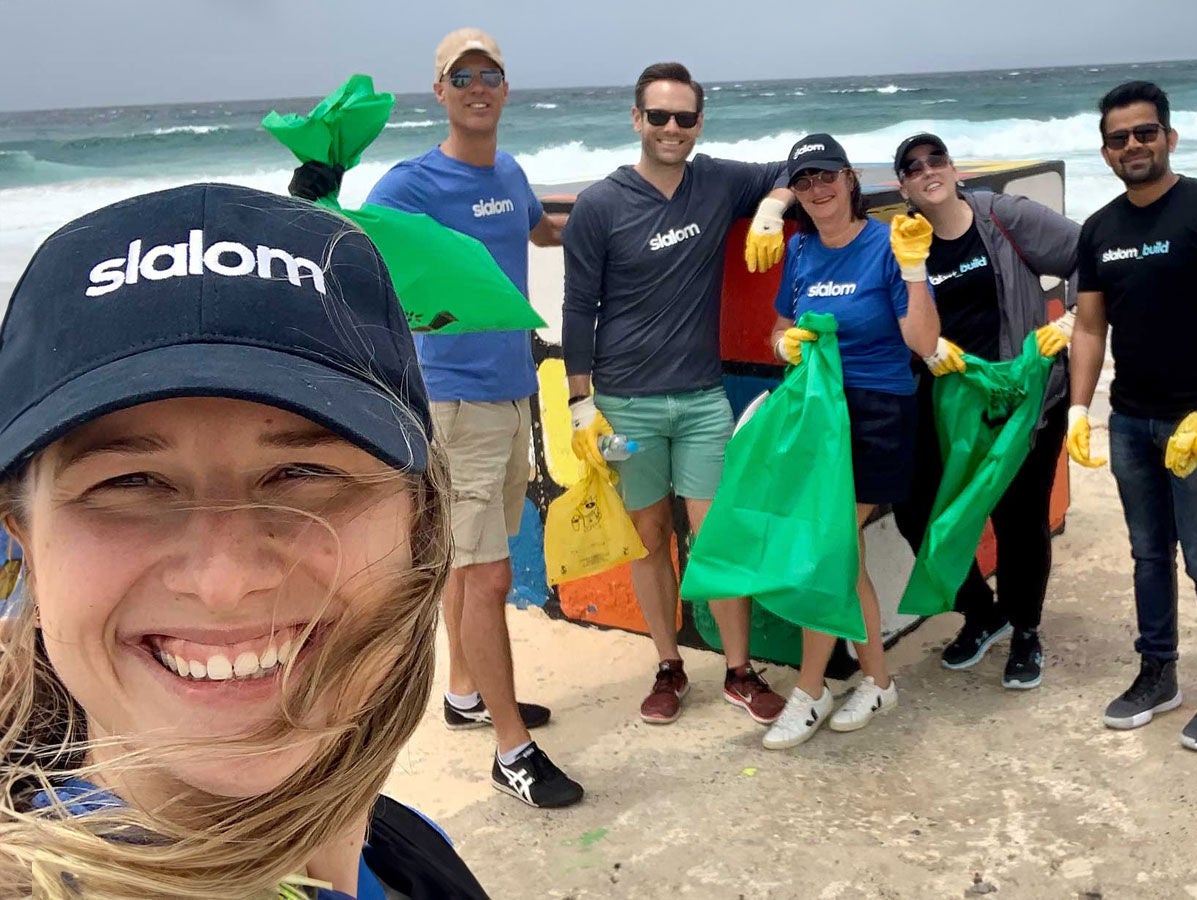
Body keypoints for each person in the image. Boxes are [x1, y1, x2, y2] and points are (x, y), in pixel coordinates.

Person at [0, 183, 489, 897]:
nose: (224, 581)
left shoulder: (405, 846)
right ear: (27, 544)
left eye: (302, 472)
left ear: (422, 523)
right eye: (130, 482)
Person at [295, 28, 582, 806]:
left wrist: (610, 215)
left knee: (471, 564)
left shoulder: (513, 171)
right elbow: (344, 243)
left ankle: (465, 695)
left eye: (490, 73)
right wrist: (311, 192)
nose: (478, 86)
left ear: (506, 88)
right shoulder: (412, 183)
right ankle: (511, 751)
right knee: (485, 576)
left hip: (514, 393)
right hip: (451, 405)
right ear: (442, 92)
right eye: (463, 76)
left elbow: (536, 230)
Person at [561, 62, 797, 727]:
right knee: (648, 537)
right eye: (658, 116)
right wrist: (582, 404)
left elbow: (796, 164)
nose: (671, 128)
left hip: (700, 401)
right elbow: (578, 309)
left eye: (684, 117)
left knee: (717, 533)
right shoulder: (600, 205)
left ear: (699, 123)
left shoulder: (719, 181)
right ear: (636, 119)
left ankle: (740, 670)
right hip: (627, 404)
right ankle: (668, 664)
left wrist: (773, 209)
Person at [1069, 81, 1197, 752]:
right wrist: (1078, 407)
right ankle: (1158, 673)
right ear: (1105, 152)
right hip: (1130, 422)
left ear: (1169, 137)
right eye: (1120, 138)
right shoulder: (1099, 230)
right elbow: (1090, 329)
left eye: (1145, 132)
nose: (1134, 145)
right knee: (1148, 554)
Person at [760, 134, 963, 750]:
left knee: (828, 552)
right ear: (794, 193)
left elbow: (923, 342)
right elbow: (780, 324)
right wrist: (781, 345)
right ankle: (876, 679)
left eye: (827, 176)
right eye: (804, 181)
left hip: (877, 412)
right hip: (817, 416)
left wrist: (913, 270)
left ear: (849, 179)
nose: (817, 189)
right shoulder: (799, 251)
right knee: (840, 557)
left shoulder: (884, 244)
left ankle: (811, 688)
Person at [888, 132, 1080, 690]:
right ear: (903, 185)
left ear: (955, 170)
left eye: (936, 159)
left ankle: (1026, 630)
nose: (928, 170)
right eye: (914, 166)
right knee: (916, 508)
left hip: (1023, 395)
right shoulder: (904, 243)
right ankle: (982, 611)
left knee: (1019, 519)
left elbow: (1093, 254)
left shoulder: (1003, 218)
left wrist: (1072, 320)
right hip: (949, 403)